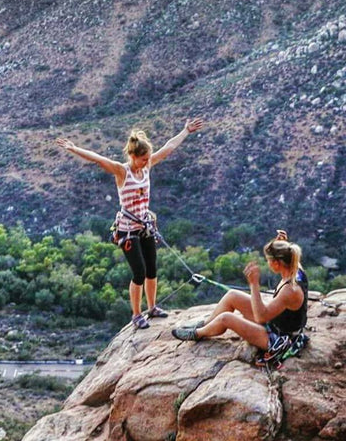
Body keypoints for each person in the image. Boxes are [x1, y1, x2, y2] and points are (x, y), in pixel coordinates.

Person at [56, 117, 204, 329]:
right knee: (139, 272)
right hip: (127, 229)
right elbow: (98, 159)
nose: (147, 162)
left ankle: (152, 307)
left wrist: (185, 131)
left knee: (152, 269)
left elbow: (168, 148)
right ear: (133, 156)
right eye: (143, 158)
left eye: (148, 158)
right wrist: (74, 148)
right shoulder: (121, 171)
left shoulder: (147, 165)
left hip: (145, 226)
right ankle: (136, 314)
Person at [171, 230, 308, 354]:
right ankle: (208, 323)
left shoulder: (290, 290)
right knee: (232, 295)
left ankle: (197, 334)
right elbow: (286, 255)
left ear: (277, 263)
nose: (267, 263)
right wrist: (281, 245)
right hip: (274, 323)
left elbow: (261, 317)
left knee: (226, 318)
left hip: (279, 338)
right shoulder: (295, 268)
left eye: (269, 260)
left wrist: (254, 284)